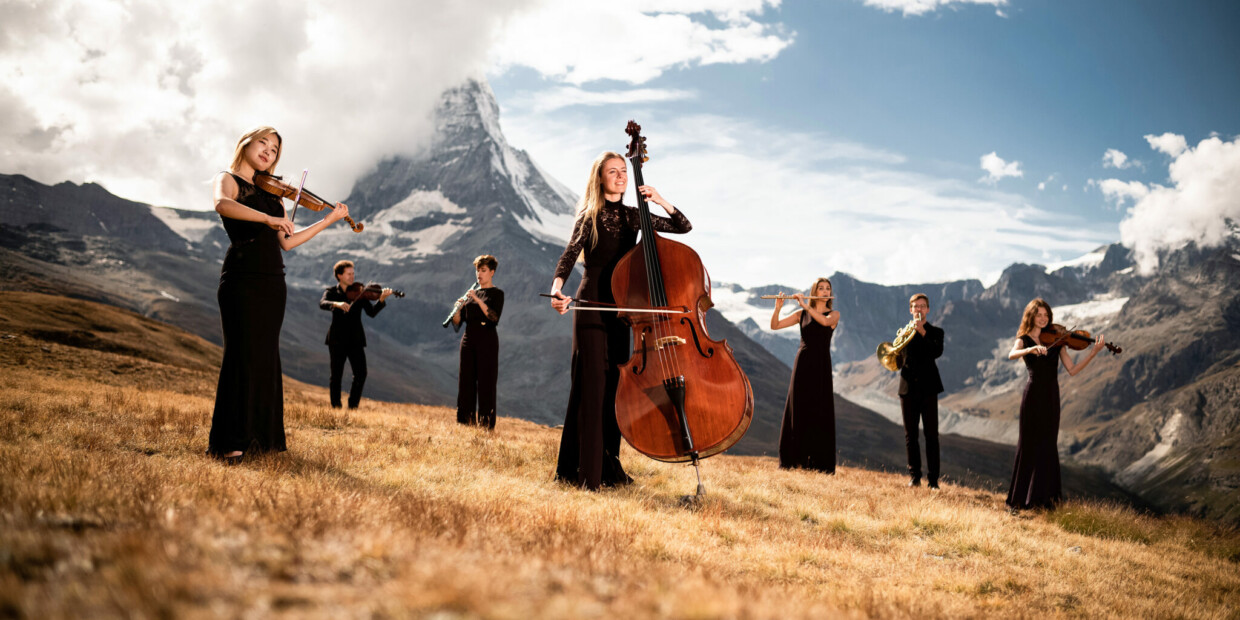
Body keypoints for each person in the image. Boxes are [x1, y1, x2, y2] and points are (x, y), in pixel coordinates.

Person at [548, 151, 692, 490]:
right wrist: (556, 290)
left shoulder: (634, 216)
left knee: (614, 389)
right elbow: (569, 255)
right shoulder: (590, 215)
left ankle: (608, 469)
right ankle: (587, 475)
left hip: (622, 311)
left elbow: (682, 227)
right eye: (612, 171)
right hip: (590, 305)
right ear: (600, 178)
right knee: (592, 387)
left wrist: (659, 199)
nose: (620, 176)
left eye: (623, 171)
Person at [207, 126, 351, 462]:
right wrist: (266, 220)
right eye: (263, 144)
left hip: (273, 282)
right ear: (245, 143)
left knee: (265, 356)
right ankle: (230, 441)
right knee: (240, 355)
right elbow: (222, 205)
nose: (268, 152)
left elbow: (287, 241)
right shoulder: (227, 179)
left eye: (274, 150)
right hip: (241, 277)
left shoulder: (274, 196)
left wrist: (328, 220)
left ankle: (261, 440)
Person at [1005, 298, 1106, 510]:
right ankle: (1017, 502)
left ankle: (1042, 501)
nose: (1043, 319)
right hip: (1032, 396)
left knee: (1048, 447)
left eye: (1046, 315)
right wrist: (1030, 351)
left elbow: (1073, 370)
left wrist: (1093, 352)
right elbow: (1012, 354)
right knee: (1027, 446)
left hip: (1052, 396)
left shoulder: (1058, 341)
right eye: (1039, 315)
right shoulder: (1024, 339)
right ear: (1031, 316)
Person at [770, 277, 840, 473]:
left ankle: (818, 464)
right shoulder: (801, 314)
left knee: (819, 409)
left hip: (821, 366)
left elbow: (825, 322)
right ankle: (794, 461)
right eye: (821, 288)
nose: (825, 291)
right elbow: (775, 326)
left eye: (828, 288)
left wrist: (805, 306)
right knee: (798, 408)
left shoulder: (834, 314)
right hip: (802, 364)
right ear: (814, 291)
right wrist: (778, 308)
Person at [320, 260, 392, 409]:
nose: (352, 277)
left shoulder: (360, 292)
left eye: (353, 273)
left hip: (355, 340)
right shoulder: (332, 292)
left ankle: (353, 407)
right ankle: (336, 407)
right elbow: (323, 303)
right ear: (339, 275)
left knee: (361, 373)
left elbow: (371, 313)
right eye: (349, 274)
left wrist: (381, 300)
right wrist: (336, 304)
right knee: (336, 376)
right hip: (337, 339)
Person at [451, 254, 504, 428]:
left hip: (487, 342)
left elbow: (493, 317)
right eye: (477, 270)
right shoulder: (471, 294)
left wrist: (477, 299)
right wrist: (457, 311)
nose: (479, 274)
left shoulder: (497, 294)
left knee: (486, 383)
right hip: (468, 340)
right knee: (466, 381)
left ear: (492, 272)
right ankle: (465, 422)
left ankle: (485, 425)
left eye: (483, 270)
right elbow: (459, 323)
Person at [898, 293, 945, 488]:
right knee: (911, 436)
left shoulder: (936, 332)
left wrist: (922, 331)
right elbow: (898, 360)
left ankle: (933, 480)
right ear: (910, 310)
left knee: (931, 435)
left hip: (928, 388)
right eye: (915, 306)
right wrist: (900, 344)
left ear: (928, 309)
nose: (919, 309)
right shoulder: (904, 333)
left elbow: (936, 352)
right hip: (907, 387)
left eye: (922, 306)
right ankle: (914, 477)